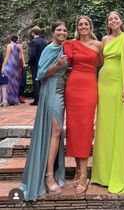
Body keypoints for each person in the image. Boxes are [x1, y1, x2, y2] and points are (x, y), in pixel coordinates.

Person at [21, 21, 68, 201]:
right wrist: (57, 66)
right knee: (56, 130)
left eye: (64, 30)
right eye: (59, 30)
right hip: (50, 91)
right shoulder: (49, 48)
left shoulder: (65, 48)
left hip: (62, 90)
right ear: (53, 32)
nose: (62, 32)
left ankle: (54, 170)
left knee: (56, 131)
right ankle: (49, 176)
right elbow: (40, 74)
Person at [91, 11, 124, 194]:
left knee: (119, 124)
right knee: (104, 125)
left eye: (116, 18)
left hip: (119, 82)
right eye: (110, 19)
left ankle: (118, 172)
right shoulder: (104, 39)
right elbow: (100, 61)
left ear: (121, 21)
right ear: (108, 23)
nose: (114, 20)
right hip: (104, 82)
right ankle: (102, 174)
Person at [63, 16, 102, 194]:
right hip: (73, 86)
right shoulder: (70, 44)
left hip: (89, 86)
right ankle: (78, 170)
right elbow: (66, 63)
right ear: (77, 27)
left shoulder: (98, 44)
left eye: (86, 24)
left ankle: (84, 174)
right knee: (73, 127)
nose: (83, 26)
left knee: (85, 128)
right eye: (80, 24)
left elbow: (101, 62)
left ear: (90, 26)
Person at [1, 35, 23, 105]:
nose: (19, 40)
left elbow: (7, 57)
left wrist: (3, 67)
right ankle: (13, 100)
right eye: (18, 38)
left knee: (6, 83)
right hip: (15, 67)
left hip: (9, 66)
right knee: (14, 83)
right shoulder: (20, 46)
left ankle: (5, 100)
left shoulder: (9, 45)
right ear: (16, 39)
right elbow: (20, 58)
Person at [28, 26, 47, 106]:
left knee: (36, 81)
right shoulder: (44, 41)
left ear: (32, 33)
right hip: (44, 63)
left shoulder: (34, 42)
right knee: (43, 82)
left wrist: (30, 63)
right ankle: (43, 99)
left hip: (36, 64)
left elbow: (32, 55)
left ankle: (37, 100)